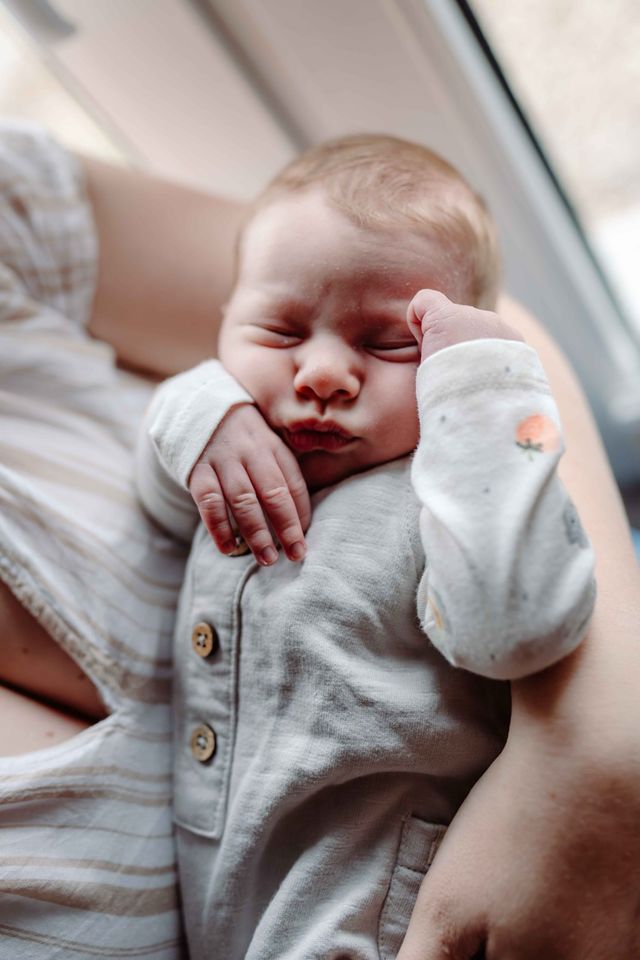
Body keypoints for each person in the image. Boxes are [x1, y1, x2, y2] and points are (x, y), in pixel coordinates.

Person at [0, 120, 638, 960]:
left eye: (390, 345)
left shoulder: (444, 496)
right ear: (224, 324)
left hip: (379, 901)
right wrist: (204, 412)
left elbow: (516, 630)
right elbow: (163, 496)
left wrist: (486, 409)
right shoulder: (243, 450)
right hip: (233, 907)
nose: (324, 375)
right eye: (280, 334)